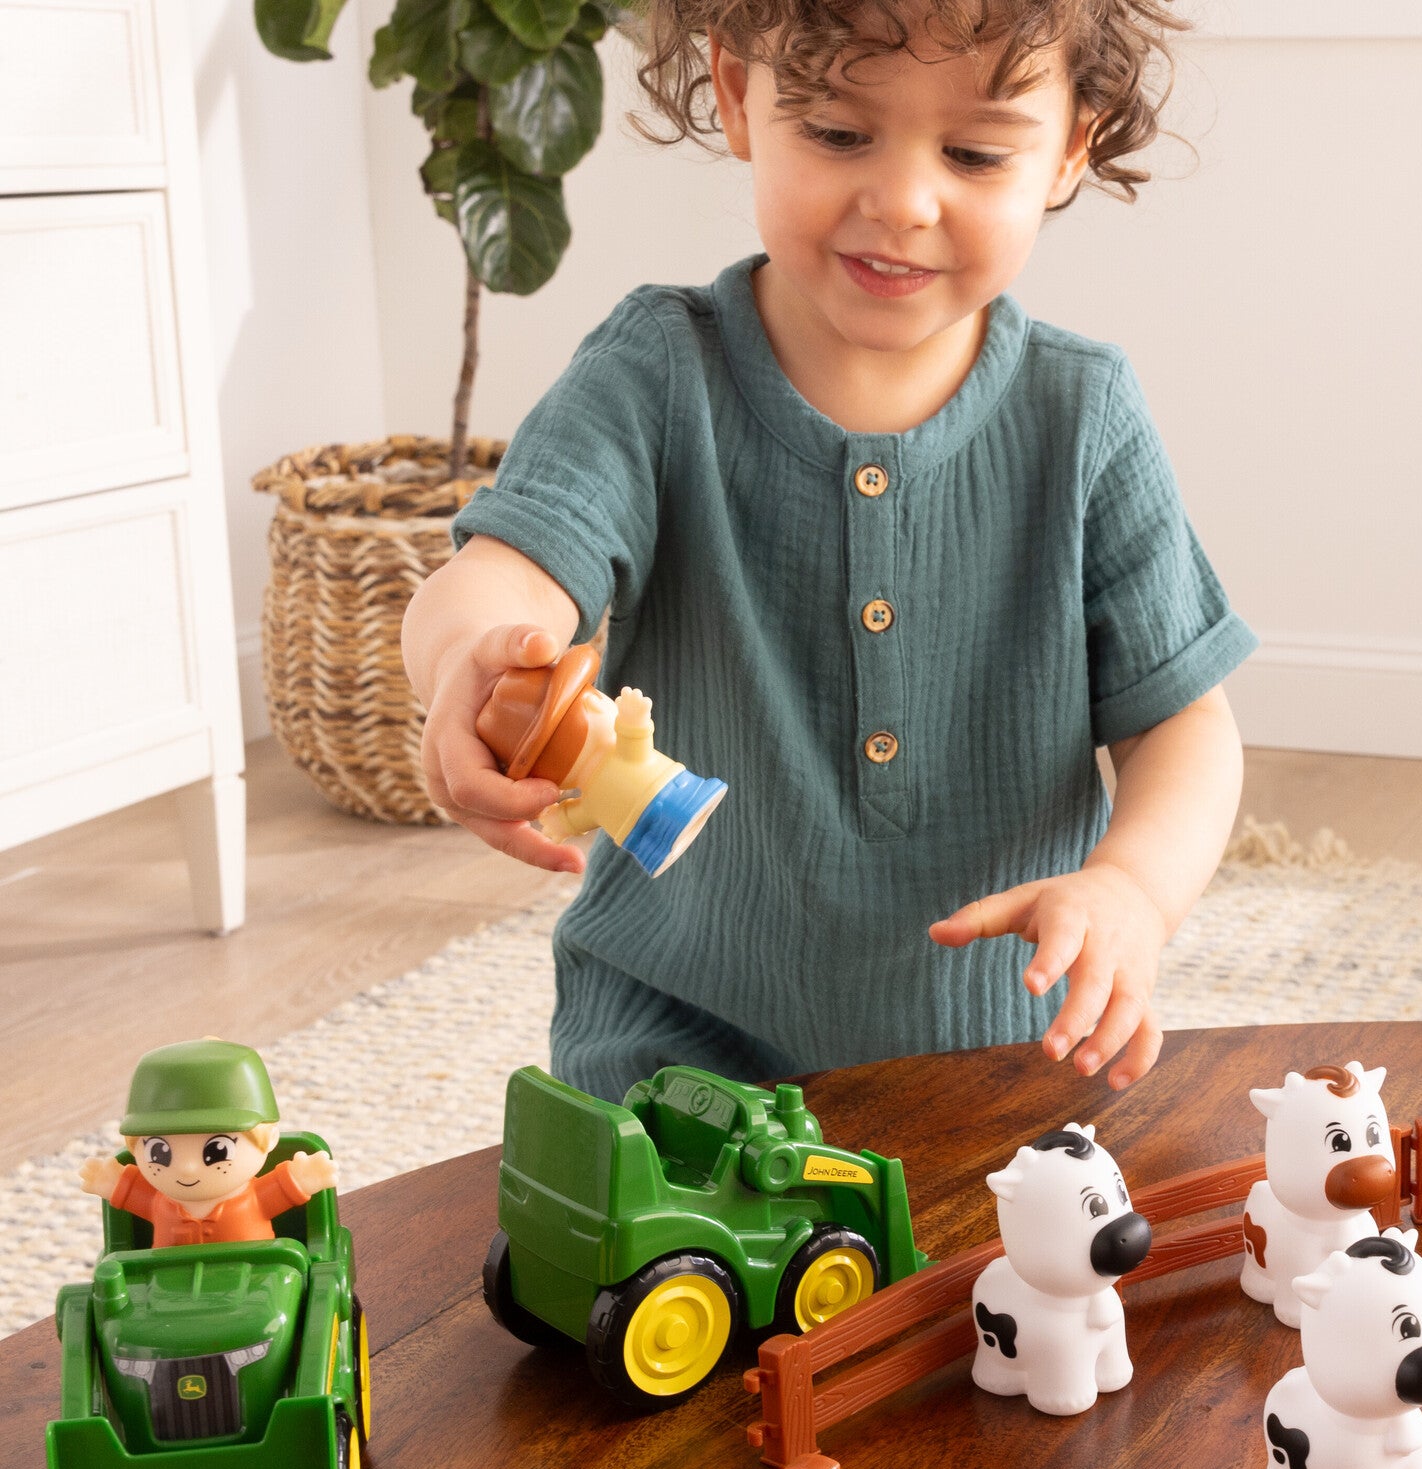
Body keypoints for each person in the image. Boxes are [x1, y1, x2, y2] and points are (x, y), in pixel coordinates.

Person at [403, 0, 1251, 1103]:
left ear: (1070, 147)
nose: (900, 201)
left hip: (1001, 1047)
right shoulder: (654, 373)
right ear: (737, 89)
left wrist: (1131, 889)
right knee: (621, 1262)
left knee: (1042, 1271)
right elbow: (505, 571)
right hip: (675, 1038)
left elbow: (1181, 723)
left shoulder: (1080, 412)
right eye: (840, 133)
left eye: (975, 152)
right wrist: (470, 658)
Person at [79, 1040, 338, 1248]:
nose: (188, 1168)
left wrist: (303, 1178)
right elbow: (133, 1192)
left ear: (269, 1139)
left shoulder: (253, 1200)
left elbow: (281, 1189)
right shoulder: (159, 1204)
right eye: (159, 1152)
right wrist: (110, 1182)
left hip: (258, 1277)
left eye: (217, 1150)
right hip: (166, 1285)